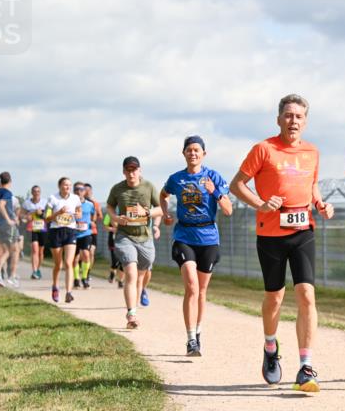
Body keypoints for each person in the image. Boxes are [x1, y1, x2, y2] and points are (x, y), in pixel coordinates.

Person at [230, 94, 334, 393]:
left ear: (305, 121)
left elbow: (312, 185)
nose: (293, 121)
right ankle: (270, 346)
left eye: (299, 116)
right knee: (274, 297)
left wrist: (321, 203)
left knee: (306, 295)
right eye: (288, 115)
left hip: (303, 231)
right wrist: (260, 204)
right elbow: (237, 184)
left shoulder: (312, 151)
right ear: (279, 119)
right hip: (270, 234)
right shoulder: (263, 149)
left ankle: (306, 366)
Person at [160, 135, 232, 356]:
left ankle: (198, 332)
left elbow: (228, 210)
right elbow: (163, 195)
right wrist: (165, 213)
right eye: (189, 150)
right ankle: (191, 339)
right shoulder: (177, 178)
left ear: (204, 154)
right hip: (184, 235)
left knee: (201, 291)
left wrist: (215, 192)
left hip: (208, 237)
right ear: (183, 153)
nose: (193, 153)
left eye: (196, 150)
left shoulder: (213, 177)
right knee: (191, 286)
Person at [106, 156, 162, 329]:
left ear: (140, 170)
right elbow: (109, 207)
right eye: (128, 170)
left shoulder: (149, 187)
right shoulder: (117, 189)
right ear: (124, 171)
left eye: (134, 169)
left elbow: (161, 208)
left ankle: (142, 290)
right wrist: (115, 218)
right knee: (131, 273)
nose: (131, 173)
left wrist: (149, 217)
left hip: (145, 238)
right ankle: (132, 314)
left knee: (142, 275)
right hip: (125, 236)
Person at [45, 177, 82, 303]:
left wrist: (78, 215)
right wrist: (59, 212)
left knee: (68, 263)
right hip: (56, 231)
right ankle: (55, 286)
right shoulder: (53, 198)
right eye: (65, 185)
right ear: (59, 186)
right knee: (58, 264)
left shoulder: (75, 198)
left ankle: (68, 292)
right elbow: (47, 218)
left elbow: (79, 212)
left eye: (69, 185)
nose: (68, 187)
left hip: (70, 231)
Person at [0, 172, 20, 287]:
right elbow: (1, 206)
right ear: (10, 181)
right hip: (8, 225)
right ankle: (3, 274)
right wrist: (8, 219)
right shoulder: (7, 192)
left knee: (6, 250)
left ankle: (2, 274)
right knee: (13, 250)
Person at [71, 182, 96, 288]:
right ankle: (76, 279)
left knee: (86, 255)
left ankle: (85, 278)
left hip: (85, 233)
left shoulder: (90, 204)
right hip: (73, 233)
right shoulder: (70, 203)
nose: (78, 191)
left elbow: (93, 214)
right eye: (76, 189)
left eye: (81, 189)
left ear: (84, 192)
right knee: (75, 258)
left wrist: (91, 221)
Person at [22, 185, 49, 279]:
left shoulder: (45, 202)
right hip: (31, 228)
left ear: (40, 192)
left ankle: (38, 269)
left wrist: (41, 213)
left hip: (42, 228)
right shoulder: (27, 203)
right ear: (32, 193)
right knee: (34, 249)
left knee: (41, 252)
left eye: (38, 191)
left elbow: (49, 215)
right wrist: (27, 216)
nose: (36, 193)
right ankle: (34, 271)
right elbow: (22, 215)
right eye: (34, 191)